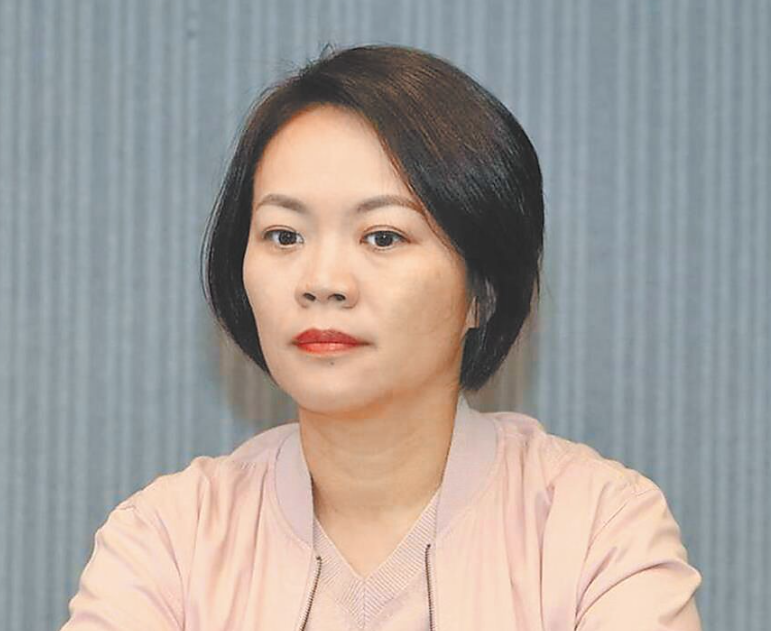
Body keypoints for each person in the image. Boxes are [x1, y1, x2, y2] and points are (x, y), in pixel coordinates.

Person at [61, 43, 703, 630]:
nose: (322, 282)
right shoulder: (169, 540)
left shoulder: (595, 529)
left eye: (383, 237)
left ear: (482, 291)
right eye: (284, 235)